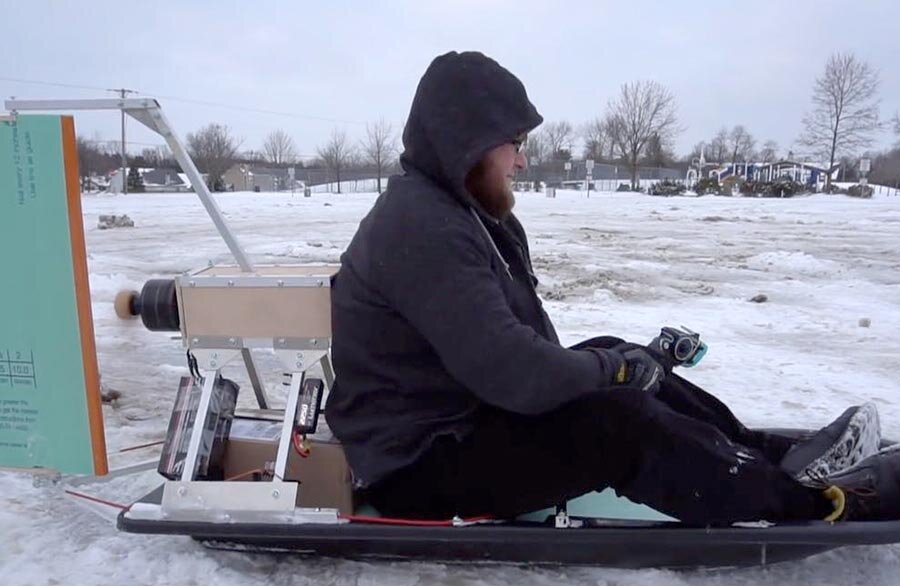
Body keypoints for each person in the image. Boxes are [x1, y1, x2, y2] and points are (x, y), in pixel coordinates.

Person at [324, 51, 900, 525]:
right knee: (616, 423)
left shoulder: (462, 212)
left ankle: (774, 459)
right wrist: (612, 375)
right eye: (515, 143)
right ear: (469, 142)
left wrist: (620, 364)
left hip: (466, 415)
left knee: (618, 355)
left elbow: (523, 353)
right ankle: (816, 505)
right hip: (418, 463)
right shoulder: (422, 227)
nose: (522, 161)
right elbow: (514, 372)